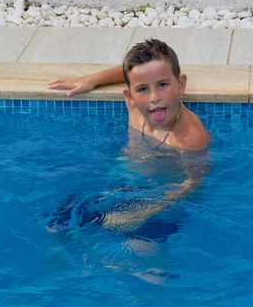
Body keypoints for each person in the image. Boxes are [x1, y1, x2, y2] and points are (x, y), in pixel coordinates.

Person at [46, 38, 211, 232]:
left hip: (159, 199)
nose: (154, 97)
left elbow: (195, 183)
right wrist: (92, 80)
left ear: (181, 85)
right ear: (129, 95)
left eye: (163, 85)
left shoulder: (190, 137)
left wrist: (143, 212)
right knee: (57, 227)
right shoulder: (135, 109)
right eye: (143, 89)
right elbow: (131, 71)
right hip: (119, 184)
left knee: (139, 250)